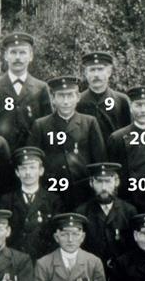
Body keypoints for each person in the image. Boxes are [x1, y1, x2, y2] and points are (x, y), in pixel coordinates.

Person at [27, 75, 106, 208]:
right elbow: (33, 159)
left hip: (82, 189)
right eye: (61, 96)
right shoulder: (41, 125)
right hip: (51, 188)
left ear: (78, 97)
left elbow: (99, 158)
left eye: (70, 95)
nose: (66, 101)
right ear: (53, 99)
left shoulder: (89, 122)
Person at [0, 32, 52, 150]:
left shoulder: (41, 88)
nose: (18, 57)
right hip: (0, 152)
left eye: (22, 52)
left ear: (31, 56)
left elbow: (47, 125)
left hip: (31, 155)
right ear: (5, 56)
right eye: (13, 52)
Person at [0, 146, 62, 261]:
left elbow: (56, 236)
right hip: (14, 260)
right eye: (23, 168)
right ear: (17, 172)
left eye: (32, 167)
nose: (28, 173)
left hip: (43, 261)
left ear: (41, 171)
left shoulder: (53, 201)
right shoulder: (7, 200)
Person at [74, 163, 137, 270]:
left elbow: (134, 248)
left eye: (108, 181)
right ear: (91, 183)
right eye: (99, 181)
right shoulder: (81, 212)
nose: (104, 187)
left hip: (123, 272)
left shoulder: (129, 211)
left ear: (116, 182)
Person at [76, 52, 131, 139]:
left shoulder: (121, 100)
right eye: (92, 70)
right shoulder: (78, 101)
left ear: (109, 72)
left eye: (100, 69)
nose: (96, 75)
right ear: (86, 73)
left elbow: (129, 134)